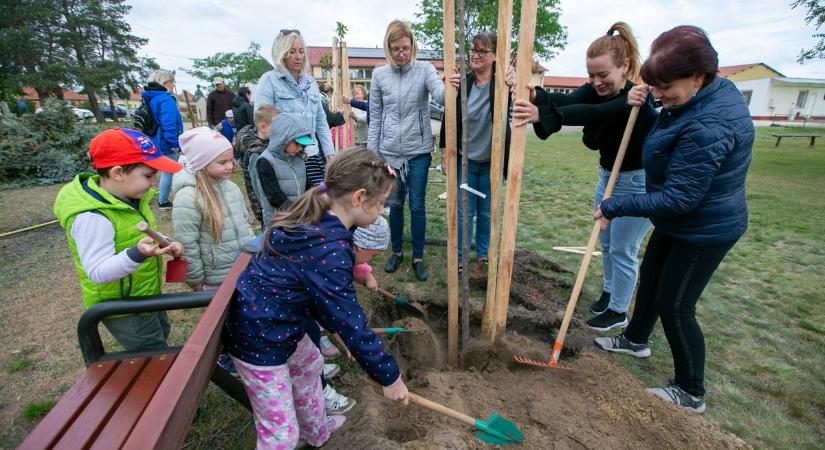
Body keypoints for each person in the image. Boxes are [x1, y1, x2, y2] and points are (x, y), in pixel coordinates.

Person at [593, 25, 754, 414]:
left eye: (665, 85)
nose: (659, 93)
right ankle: (635, 340)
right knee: (650, 280)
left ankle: (690, 389)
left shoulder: (710, 125)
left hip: (704, 228)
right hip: (682, 219)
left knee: (676, 304)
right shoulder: (697, 97)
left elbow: (680, 198)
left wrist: (616, 206)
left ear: (698, 76)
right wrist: (650, 105)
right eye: (655, 84)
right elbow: (670, 122)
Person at [223, 149, 408, 448]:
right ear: (359, 197)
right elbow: (349, 317)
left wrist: (338, 331)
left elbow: (318, 294)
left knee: (310, 362)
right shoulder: (329, 247)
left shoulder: (320, 219)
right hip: (259, 337)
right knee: (281, 436)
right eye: (381, 203)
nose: (381, 210)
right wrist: (390, 377)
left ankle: (317, 433)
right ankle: (291, 437)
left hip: (278, 319)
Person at [510, 22, 655, 331]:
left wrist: (545, 116)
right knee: (604, 239)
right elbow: (572, 102)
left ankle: (618, 311)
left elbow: (594, 114)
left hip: (638, 183)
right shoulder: (595, 89)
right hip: (608, 177)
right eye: (591, 75)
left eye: (603, 75)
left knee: (623, 249)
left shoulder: (636, 98)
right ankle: (609, 293)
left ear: (625, 66)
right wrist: (539, 96)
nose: (596, 82)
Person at [53, 128, 184, 351]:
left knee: (160, 333)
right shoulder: (92, 217)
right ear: (118, 173)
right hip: (124, 307)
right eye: (148, 175)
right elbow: (97, 272)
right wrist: (138, 253)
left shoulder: (128, 198)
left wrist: (164, 241)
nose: (154, 183)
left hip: (143, 293)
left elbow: (135, 235)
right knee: (151, 350)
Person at [369, 19, 445, 282]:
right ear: (388, 49)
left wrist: (451, 88)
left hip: (418, 151)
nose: (402, 54)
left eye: (405, 48)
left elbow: (440, 94)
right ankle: (397, 252)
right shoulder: (379, 76)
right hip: (389, 152)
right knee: (395, 205)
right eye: (396, 49)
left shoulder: (425, 70)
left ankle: (418, 257)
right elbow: (375, 117)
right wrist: (374, 155)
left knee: (417, 205)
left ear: (413, 45)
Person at [439, 31, 512, 276]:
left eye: (483, 51)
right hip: (466, 163)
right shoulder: (463, 83)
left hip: (491, 163)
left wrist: (512, 80)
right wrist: (444, 154)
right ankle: (461, 259)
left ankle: (483, 256)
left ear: (494, 56)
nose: (477, 55)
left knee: (486, 213)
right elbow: (448, 118)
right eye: (474, 50)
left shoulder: (502, 85)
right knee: (464, 213)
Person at [171, 127, 254, 291]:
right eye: (223, 162)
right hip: (216, 279)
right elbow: (187, 243)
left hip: (244, 268)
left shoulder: (231, 188)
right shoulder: (188, 197)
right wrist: (195, 279)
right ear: (201, 163)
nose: (231, 166)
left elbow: (244, 224)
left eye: (231, 160)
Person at [254, 29, 335, 187]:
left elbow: (320, 121)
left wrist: (329, 152)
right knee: (294, 206)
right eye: (291, 52)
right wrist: (289, 143)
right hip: (285, 158)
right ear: (281, 53)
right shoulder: (269, 80)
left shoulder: (311, 82)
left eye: (300, 51)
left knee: (319, 203)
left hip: (312, 155)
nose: (298, 56)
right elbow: (262, 120)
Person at [249, 114, 314, 224]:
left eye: (303, 145)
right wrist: (296, 211)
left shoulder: (298, 158)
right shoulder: (265, 161)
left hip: (299, 218)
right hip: (279, 221)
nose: (300, 148)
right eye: (297, 143)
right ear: (283, 138)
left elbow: (307, 184)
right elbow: (274, 196)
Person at [141, 69, 183, 210]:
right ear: (164, 82)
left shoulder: (151, 98)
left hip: (155, 140)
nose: (173, 86)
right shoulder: (166, 99)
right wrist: (174, 143)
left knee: (161, 171)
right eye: (171, 82)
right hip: (167, 142)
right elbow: (168, 124)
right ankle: (164, 201)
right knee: (171, 171)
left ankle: (156, 198)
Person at [235, 105, 278, 227]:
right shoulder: (256, 153)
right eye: (277, 127)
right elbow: (257, 187)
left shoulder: (268, 145)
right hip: (266, 212)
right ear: (263, 127)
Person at [353, 215, 390, 293]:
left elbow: (353, 260)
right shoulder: (333, 264)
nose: (371, 259)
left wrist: (367, 276)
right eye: (373, 255)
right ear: (361, 246)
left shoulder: (345, 250)